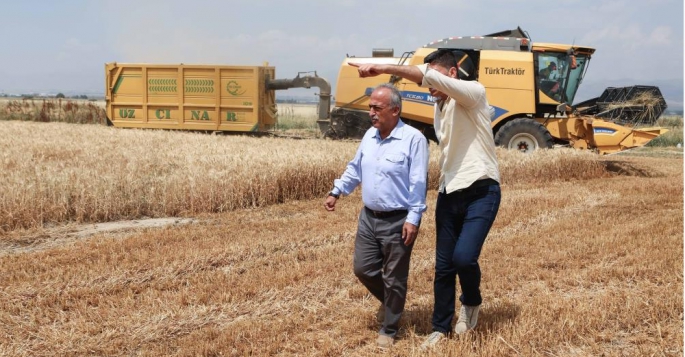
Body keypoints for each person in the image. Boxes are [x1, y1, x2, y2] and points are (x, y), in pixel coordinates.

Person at [349, 49, 501, 349]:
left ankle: (471, 302)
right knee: (443, 266)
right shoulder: (439, 106)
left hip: (481, 190)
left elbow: (427, 76)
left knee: (464, 258)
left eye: (435, 76)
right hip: (449, 191)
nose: (430, 86)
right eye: (428, 78)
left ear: (453, 73)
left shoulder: (473, 93)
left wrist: (381, 68)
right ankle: (440, 327)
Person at [324, 83, 429, 349]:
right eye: (370, 107)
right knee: (363, 268)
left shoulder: (413, 139)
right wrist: (337, 191)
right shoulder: (370, 136)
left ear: (395, 110)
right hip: (369, 217)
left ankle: (390, 328)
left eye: (376, 108)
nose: (371, 112)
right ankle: (393, 302)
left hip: (398, 218)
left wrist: (413, 218)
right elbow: (356, 168)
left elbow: (418, 181)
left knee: (395, 277)